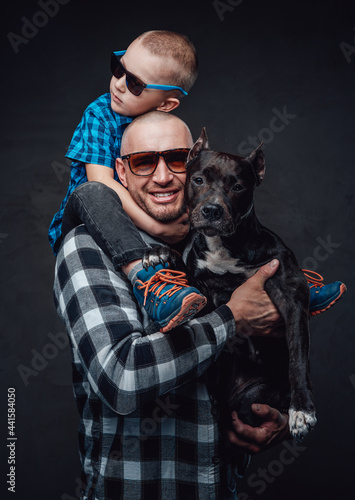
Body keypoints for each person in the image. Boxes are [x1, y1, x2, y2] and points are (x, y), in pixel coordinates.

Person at [53, 112, 290, 500]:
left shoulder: (212, 250)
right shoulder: (86, 248)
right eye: (144, 161)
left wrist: (275, 412)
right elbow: (122, 377)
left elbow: (251, 359)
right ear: (121, 173)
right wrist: (233, 318)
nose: (163, 177)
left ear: (197, 166)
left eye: (177, 160)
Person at [50, 30, 346, 332]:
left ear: (165, 104)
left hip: (148, 222)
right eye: (118, 68)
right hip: (93, 213)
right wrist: (158, 227)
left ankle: (286, 279)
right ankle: (149, 283)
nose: (119, 84)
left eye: (135, 83)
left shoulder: (160, 125)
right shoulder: (100, 115)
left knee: (211, 212)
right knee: (92, 193)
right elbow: (102, 184)